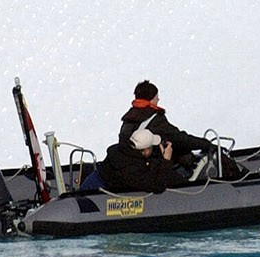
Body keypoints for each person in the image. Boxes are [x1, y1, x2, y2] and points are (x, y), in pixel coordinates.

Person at [100, 80, 245, 193]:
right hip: (148, 164)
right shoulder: (154, 120)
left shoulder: (129, 118)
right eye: (156, 97)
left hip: (135, 160)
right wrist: (206, 144)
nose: (158, 99)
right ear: (151, 99)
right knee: (186, 160)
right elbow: (180, 139)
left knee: (182, 155)